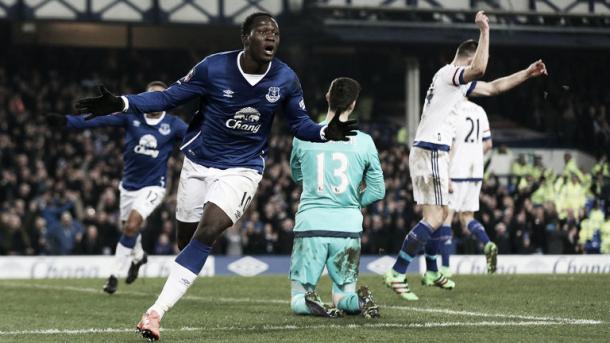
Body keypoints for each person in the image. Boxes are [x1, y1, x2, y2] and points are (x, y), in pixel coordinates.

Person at [75, 12, 358, 341]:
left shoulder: (285, 79)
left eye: (275, 34)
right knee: (187, 241)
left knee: (209, 231)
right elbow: (168, 97)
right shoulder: (213, 67)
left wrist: (325, 132)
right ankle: (174, 276)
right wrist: (123, 103)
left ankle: (154, 314)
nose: (271, 38)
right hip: (198, 163)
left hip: (243, 168)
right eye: (263, 32)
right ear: (245, 38)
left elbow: (300, 124)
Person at [384, 10, 548, 301]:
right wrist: (486, 31)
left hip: (427, 149)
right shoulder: (450, 74)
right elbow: (481, 70)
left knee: (440, 214)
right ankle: (397, 271)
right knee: (436, 217)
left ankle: (432, 270)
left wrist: (527, 72)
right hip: (432, 149)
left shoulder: (452, 82)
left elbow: (494, 86)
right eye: (474, 60)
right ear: (467, 59)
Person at [49, 81, 188, 294]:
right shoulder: (131, 116)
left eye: (161, 97)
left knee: (132, 225)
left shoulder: (174, 125)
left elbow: (197, 139)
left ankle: (114, 275)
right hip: (128, 186)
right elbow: (98, 121)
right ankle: (139, 256)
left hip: (154, 186)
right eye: (152, 96)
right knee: (128, 228)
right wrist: (67, 121)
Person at [289, 77, 385, 319]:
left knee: (298, 297)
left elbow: (296, 175)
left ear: (327, 97)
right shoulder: (365, 142)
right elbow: (377, 189)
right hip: (347, 227)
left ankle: (311, 303)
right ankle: (358, 301)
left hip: (311, 223)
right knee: (343, 296)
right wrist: (350, 202)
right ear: (353, 105)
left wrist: (317, 190)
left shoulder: (303, 136)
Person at [423, 99, 496, 284]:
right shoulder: (480, 109)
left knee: (446, 217)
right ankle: (487, 243)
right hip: (476, 171)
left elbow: (451, 146)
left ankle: (446, 268)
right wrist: (473, 155)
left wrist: (446, 174)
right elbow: (488, 145)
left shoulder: (452, 111)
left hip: (457, 172)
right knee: (467, 217)